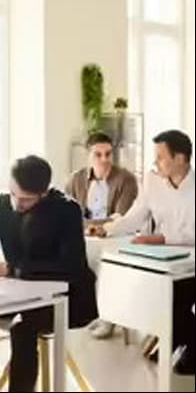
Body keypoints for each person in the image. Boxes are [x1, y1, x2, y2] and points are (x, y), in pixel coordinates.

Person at [0, 155, 98, 392]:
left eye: (26, 200)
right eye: (13, 194)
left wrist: (11, 269)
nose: (17, 204)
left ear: (44, 193)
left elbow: (70, 267)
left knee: (22, 327)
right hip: (17, 295)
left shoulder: (66, 210)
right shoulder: (4, 205)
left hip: (68, 300)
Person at [91, 130, 194, 374]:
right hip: (162, 259)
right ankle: (179, 341)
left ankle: (181, 342)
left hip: (189, 263)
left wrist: (160, 239)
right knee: (155, 295)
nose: (155, 162)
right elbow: (136, 214)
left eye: (161, 157)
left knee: (175, 301)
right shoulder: (152, 181)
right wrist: (108, 229)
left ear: (181, 159)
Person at [65, 131, 138, 339]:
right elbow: (67, 214)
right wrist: (89, 227)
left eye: (108, 154)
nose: (104, 159)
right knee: (73, 254)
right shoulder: (76, 179)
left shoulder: (126, 179)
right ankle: (87, 310)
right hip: (86, 236)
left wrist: (94, 226)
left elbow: (121, 217)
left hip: (116, 236)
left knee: (105, 260)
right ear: (88, 155)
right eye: (98, 154)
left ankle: (108, 315)